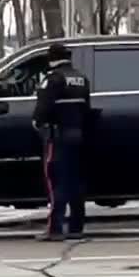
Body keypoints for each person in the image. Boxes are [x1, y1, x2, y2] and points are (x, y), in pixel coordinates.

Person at [32, 43, 91, 241]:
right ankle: (76, 227)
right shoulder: (81, 79)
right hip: (79, 136)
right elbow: (86, 110)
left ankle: (55, 228)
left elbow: (41, 112)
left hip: (57, 137)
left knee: (55, 181)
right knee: (75, 180)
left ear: (52, 58)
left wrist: (38, 124)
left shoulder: (53, 79)